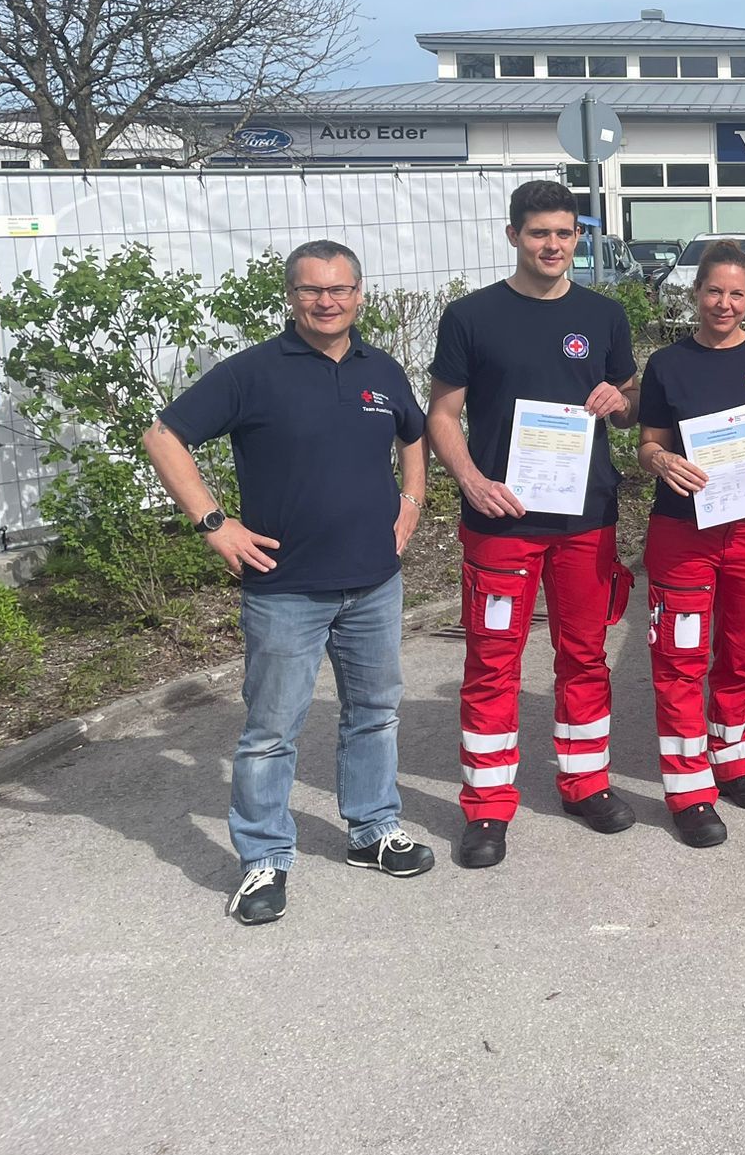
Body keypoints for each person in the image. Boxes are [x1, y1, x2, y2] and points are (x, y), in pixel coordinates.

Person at [142, 240, 432, 925]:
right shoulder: (253, 373)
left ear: (360, 294)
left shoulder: (382, 369)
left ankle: (371, 831)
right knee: (272, 731)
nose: (325, 301)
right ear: (291, 296)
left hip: (373, 583)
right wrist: (215, 523)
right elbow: (162, 436)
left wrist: (412, 502)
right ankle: (264, 860)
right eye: (310, 290)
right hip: (285, 589)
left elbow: (414, 434)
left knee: (375, 714)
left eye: (338, 289)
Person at [428, 181, 640, 870]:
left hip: (586, 518)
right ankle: (487, 808)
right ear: (513, 235)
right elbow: (441, 414)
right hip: (502, 519)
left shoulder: (604, 315)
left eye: (565, 233)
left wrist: (622, 398)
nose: (553, 245)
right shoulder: (470, 316)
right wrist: (470, 480)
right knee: (494, 663)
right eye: (539, 233)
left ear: (580, 236)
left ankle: (586, 783)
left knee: (584, 656)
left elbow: (629, 404)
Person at [636, 240, 745, 848]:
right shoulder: (667, 365)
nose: (724, 303)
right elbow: (647, 442)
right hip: (683, 533)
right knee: (680, 659)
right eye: (714, 291)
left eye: (737, 293)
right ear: (695, 293)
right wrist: (661, 461)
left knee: (741, 651)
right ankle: (688, 789)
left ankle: (731, 761)